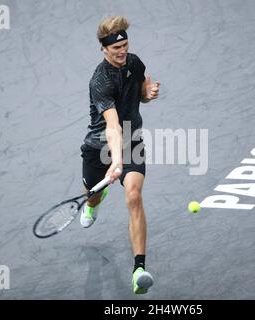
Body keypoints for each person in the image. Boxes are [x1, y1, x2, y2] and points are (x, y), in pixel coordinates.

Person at [79, 16, 160, 294]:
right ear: (104, 50)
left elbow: (139, 96)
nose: (122, 51)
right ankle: (93, 202)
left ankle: (139, 269)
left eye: (125, 44)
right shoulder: (99, 81)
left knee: (134, 197)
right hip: (98, 145)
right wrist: (115, 160)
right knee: (94, 192)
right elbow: (111, 125)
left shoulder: (135, 63)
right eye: (116, 48)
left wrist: (147, 94)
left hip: (132, 140)